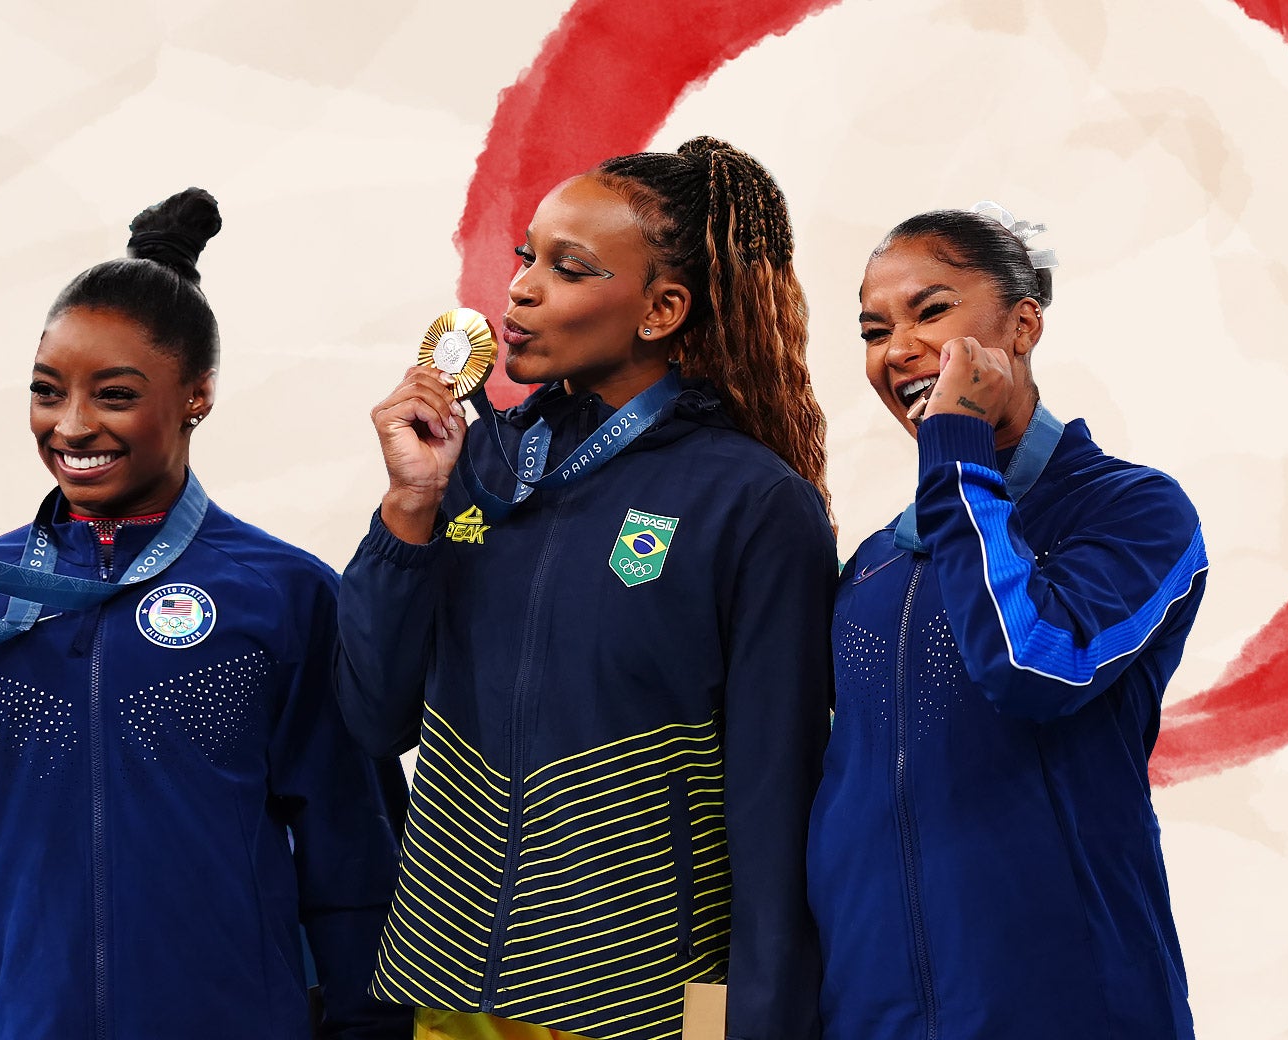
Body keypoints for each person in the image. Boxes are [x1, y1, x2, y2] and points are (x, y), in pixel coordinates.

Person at [0, 188, 408, 1040]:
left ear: (197, 395)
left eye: (115, 394)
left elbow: (354, 865)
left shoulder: (283, 594)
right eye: (47, 391)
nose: (71, 425)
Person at [335, 137, 837, 1040]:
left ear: (661, 309)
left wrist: (759, 1023)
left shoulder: (754, 503)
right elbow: (374, 719)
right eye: (526, 255)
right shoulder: (477, 457)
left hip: (641, 998)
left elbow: (775, 798)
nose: (521, 287)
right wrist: (410, 506)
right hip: (450, 984)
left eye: (568, 269)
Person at [808, 205, 1207, 1039]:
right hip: (871, 1012)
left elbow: (1030, 664)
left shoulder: (1133, 512)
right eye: (875, 330)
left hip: (1068, 1006)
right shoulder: (878, 561)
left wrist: (955, 449)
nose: (898, 349)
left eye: (930, 311)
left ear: (1022, 324)